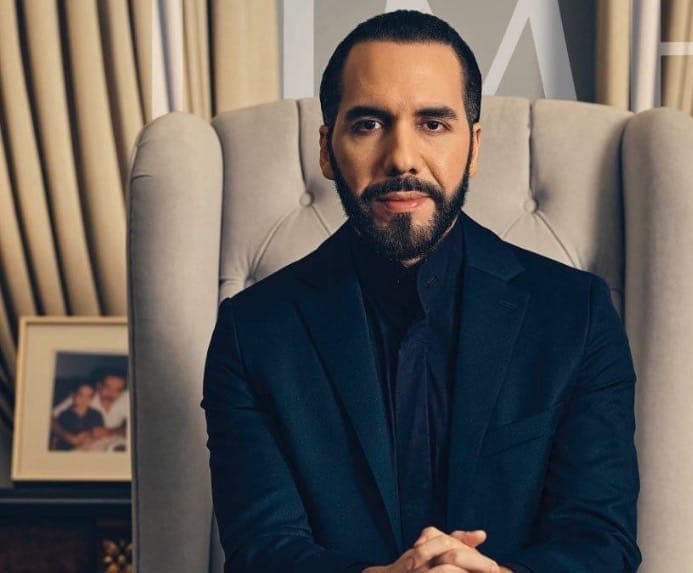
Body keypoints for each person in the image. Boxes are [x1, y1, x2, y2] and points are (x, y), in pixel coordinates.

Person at [202, 10, 640, 573]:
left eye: (433, 124)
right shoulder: (251, 332)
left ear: (474, 147)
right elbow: (262, 550)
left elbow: (602, 542)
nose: (403, 158)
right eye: (368, 124)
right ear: (327, 150)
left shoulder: (577, 315)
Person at [52, 367, 129, 448]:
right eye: (107, 387)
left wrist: (111, 431)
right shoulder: (85, 395)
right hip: (83, 443)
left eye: (118, 390)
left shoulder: (127, 398)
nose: (111, 394)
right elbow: (50, 418)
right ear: (99, 385)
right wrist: (69, 438)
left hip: (113, 441)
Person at [52, 382, 105, 451]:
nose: (84, 399)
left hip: (91, 448)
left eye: (89, 396)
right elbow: (59, 439)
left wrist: (90, 437)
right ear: (73, 395)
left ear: (92, 398)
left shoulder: (96, 414)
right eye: (80, 395)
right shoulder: (64, 415)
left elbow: (101, 434)